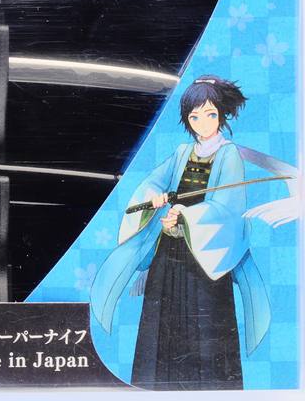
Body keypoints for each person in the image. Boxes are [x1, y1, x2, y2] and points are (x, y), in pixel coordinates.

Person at [90, 75, 278, 390]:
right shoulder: (181, 152)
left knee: (206, 331)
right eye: (194, 117)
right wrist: (155, 199)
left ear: (221, 114)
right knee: (161, 325)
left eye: (210, 114)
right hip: (170, 254)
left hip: (206, 259)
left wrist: (186, 216)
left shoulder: (229, 155)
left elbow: (227, 208)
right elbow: (152, 182)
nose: (203, 123)